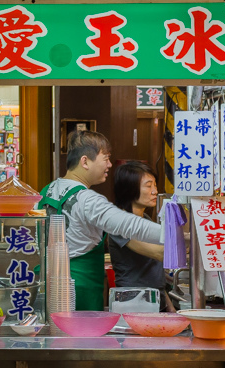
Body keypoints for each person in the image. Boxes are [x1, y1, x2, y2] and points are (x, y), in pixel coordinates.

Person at [40, 131, 162, 311]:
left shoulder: (47, 190)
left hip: (47, 283)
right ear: (85, 162)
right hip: (80, 290)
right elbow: (129, 225)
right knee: (79, 338)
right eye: (106, 158)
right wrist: (173, 235)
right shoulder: (87, 199)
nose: (110, 165)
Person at [107, 162, 174, 311]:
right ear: (129, 189)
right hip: (132, 303)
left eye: (155, 185)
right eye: (148, 186)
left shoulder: (146, 221)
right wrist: (189, 241)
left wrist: (171, 310)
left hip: (155, 301)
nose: (155, 191)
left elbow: (156, 276)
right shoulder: (119, 224)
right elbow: (159, 253)